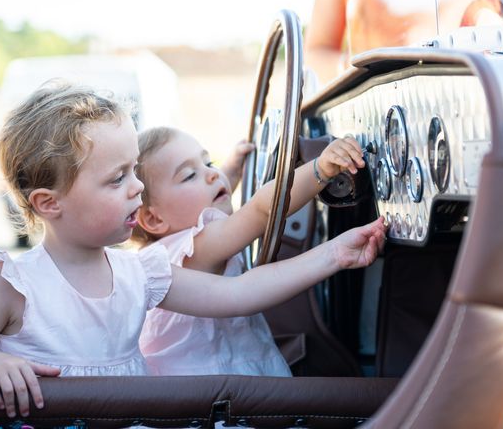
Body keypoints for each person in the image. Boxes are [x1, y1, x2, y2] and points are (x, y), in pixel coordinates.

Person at [0, 82, 386, 420]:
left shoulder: (140, 272)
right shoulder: (9, 284)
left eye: (134, 171)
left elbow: (240, 293)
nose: (138, 188)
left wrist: (333, 255)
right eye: (117, 178)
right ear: (50, 203)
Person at [133, 126, 366, 376]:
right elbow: (260, 212)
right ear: (154, 220)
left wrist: (231, 171)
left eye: (208, 163)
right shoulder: (191, 252)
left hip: (230, 387)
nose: (212, 175)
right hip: (212, 402)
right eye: (189, 175)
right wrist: (320, 170)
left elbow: (211, 203)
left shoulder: (176, 243)